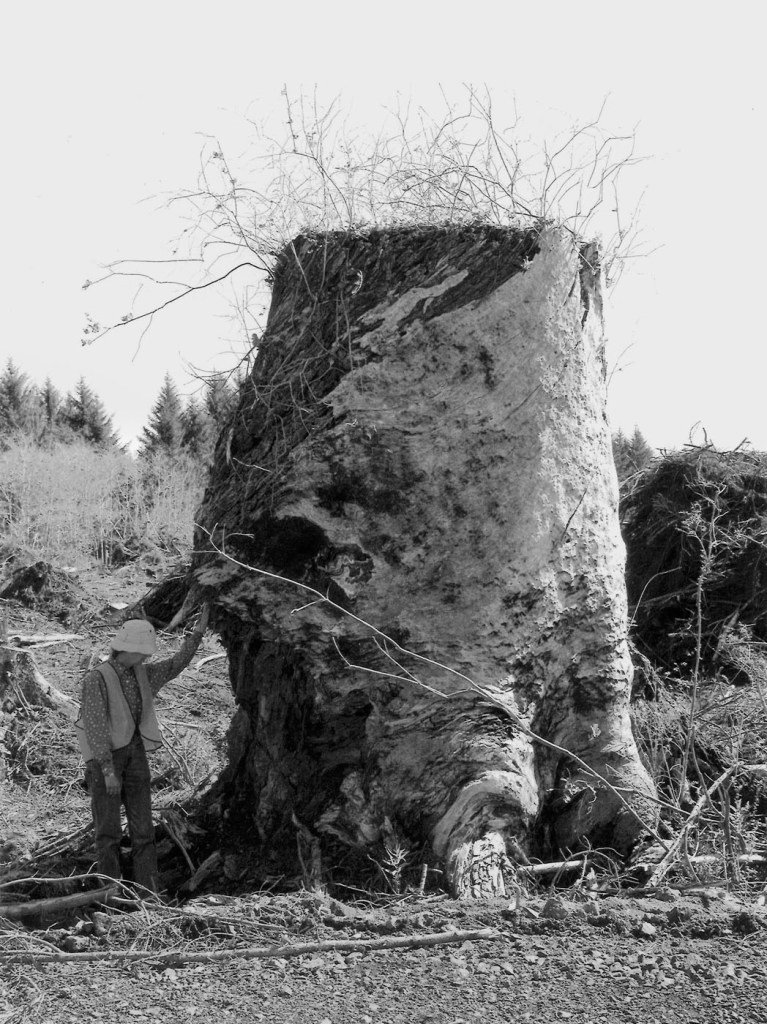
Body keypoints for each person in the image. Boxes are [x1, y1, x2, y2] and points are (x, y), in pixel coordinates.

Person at [75, 606, 209, 895]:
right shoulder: (96, 679)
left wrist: (197, 632)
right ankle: (110, 897)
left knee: (143, 831)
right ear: (128, 648)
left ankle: (149, 895)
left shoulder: (144, 674)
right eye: (143, 651)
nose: (147, 656)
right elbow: (95, 728)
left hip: (135, 755)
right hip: (104, 762)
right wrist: (109, 772)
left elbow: (176, 664)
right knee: (108, 833)